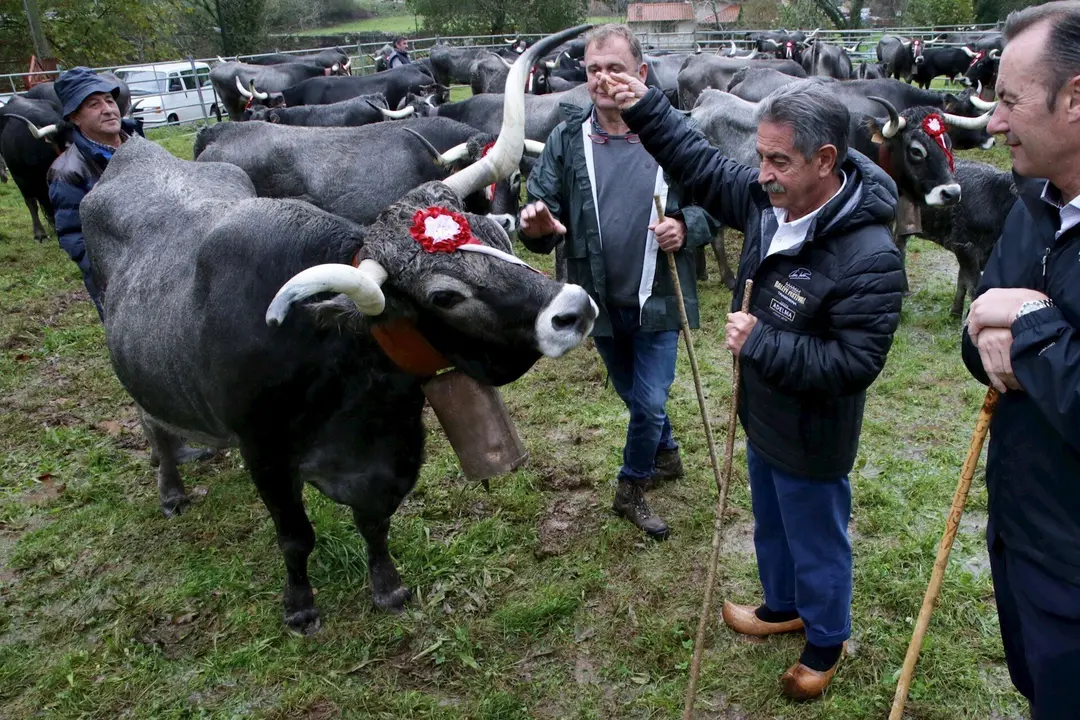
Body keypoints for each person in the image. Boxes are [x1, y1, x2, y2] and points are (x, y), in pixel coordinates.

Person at [597, 70, 905, 698]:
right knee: (770, 519)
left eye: (777, 160)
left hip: (813, 434)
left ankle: (825, 639)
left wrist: (761, 341)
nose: (761, 173)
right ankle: (782, 604)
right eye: (760, 157)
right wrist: (646, 107)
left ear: (825, 160)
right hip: (762, 412)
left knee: (817, 534)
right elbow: (704, 167)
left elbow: (855, 364)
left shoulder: (869, 255)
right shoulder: (771, 202)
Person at [518, 24, 716, 540]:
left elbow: (717, 202)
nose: (603, 80)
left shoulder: (675, 135)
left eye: (615, 68)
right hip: (596, 300)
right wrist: (537, 226)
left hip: (661, 297)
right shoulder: (566, 140)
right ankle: (666, 452)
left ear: (641, 73)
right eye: (593, 70)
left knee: (649, 401)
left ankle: (631, 488)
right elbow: (542, 213)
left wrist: (686, 225)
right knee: (634, 395)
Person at [960, 3, 1080, 717]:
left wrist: (1030, 321)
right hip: (1024, 529)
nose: (994, 123)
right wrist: (992, 331)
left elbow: (1011, 316)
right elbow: (978, 320)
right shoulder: (1033, 200)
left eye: (1008, 99)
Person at [47, 67, 140, 320]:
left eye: (109, 100)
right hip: (120, 279)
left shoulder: (142, 148)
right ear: (75, 117)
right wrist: (113, 276)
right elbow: (72, 236)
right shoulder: (67, 171)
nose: (108, 109)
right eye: (93, 104)